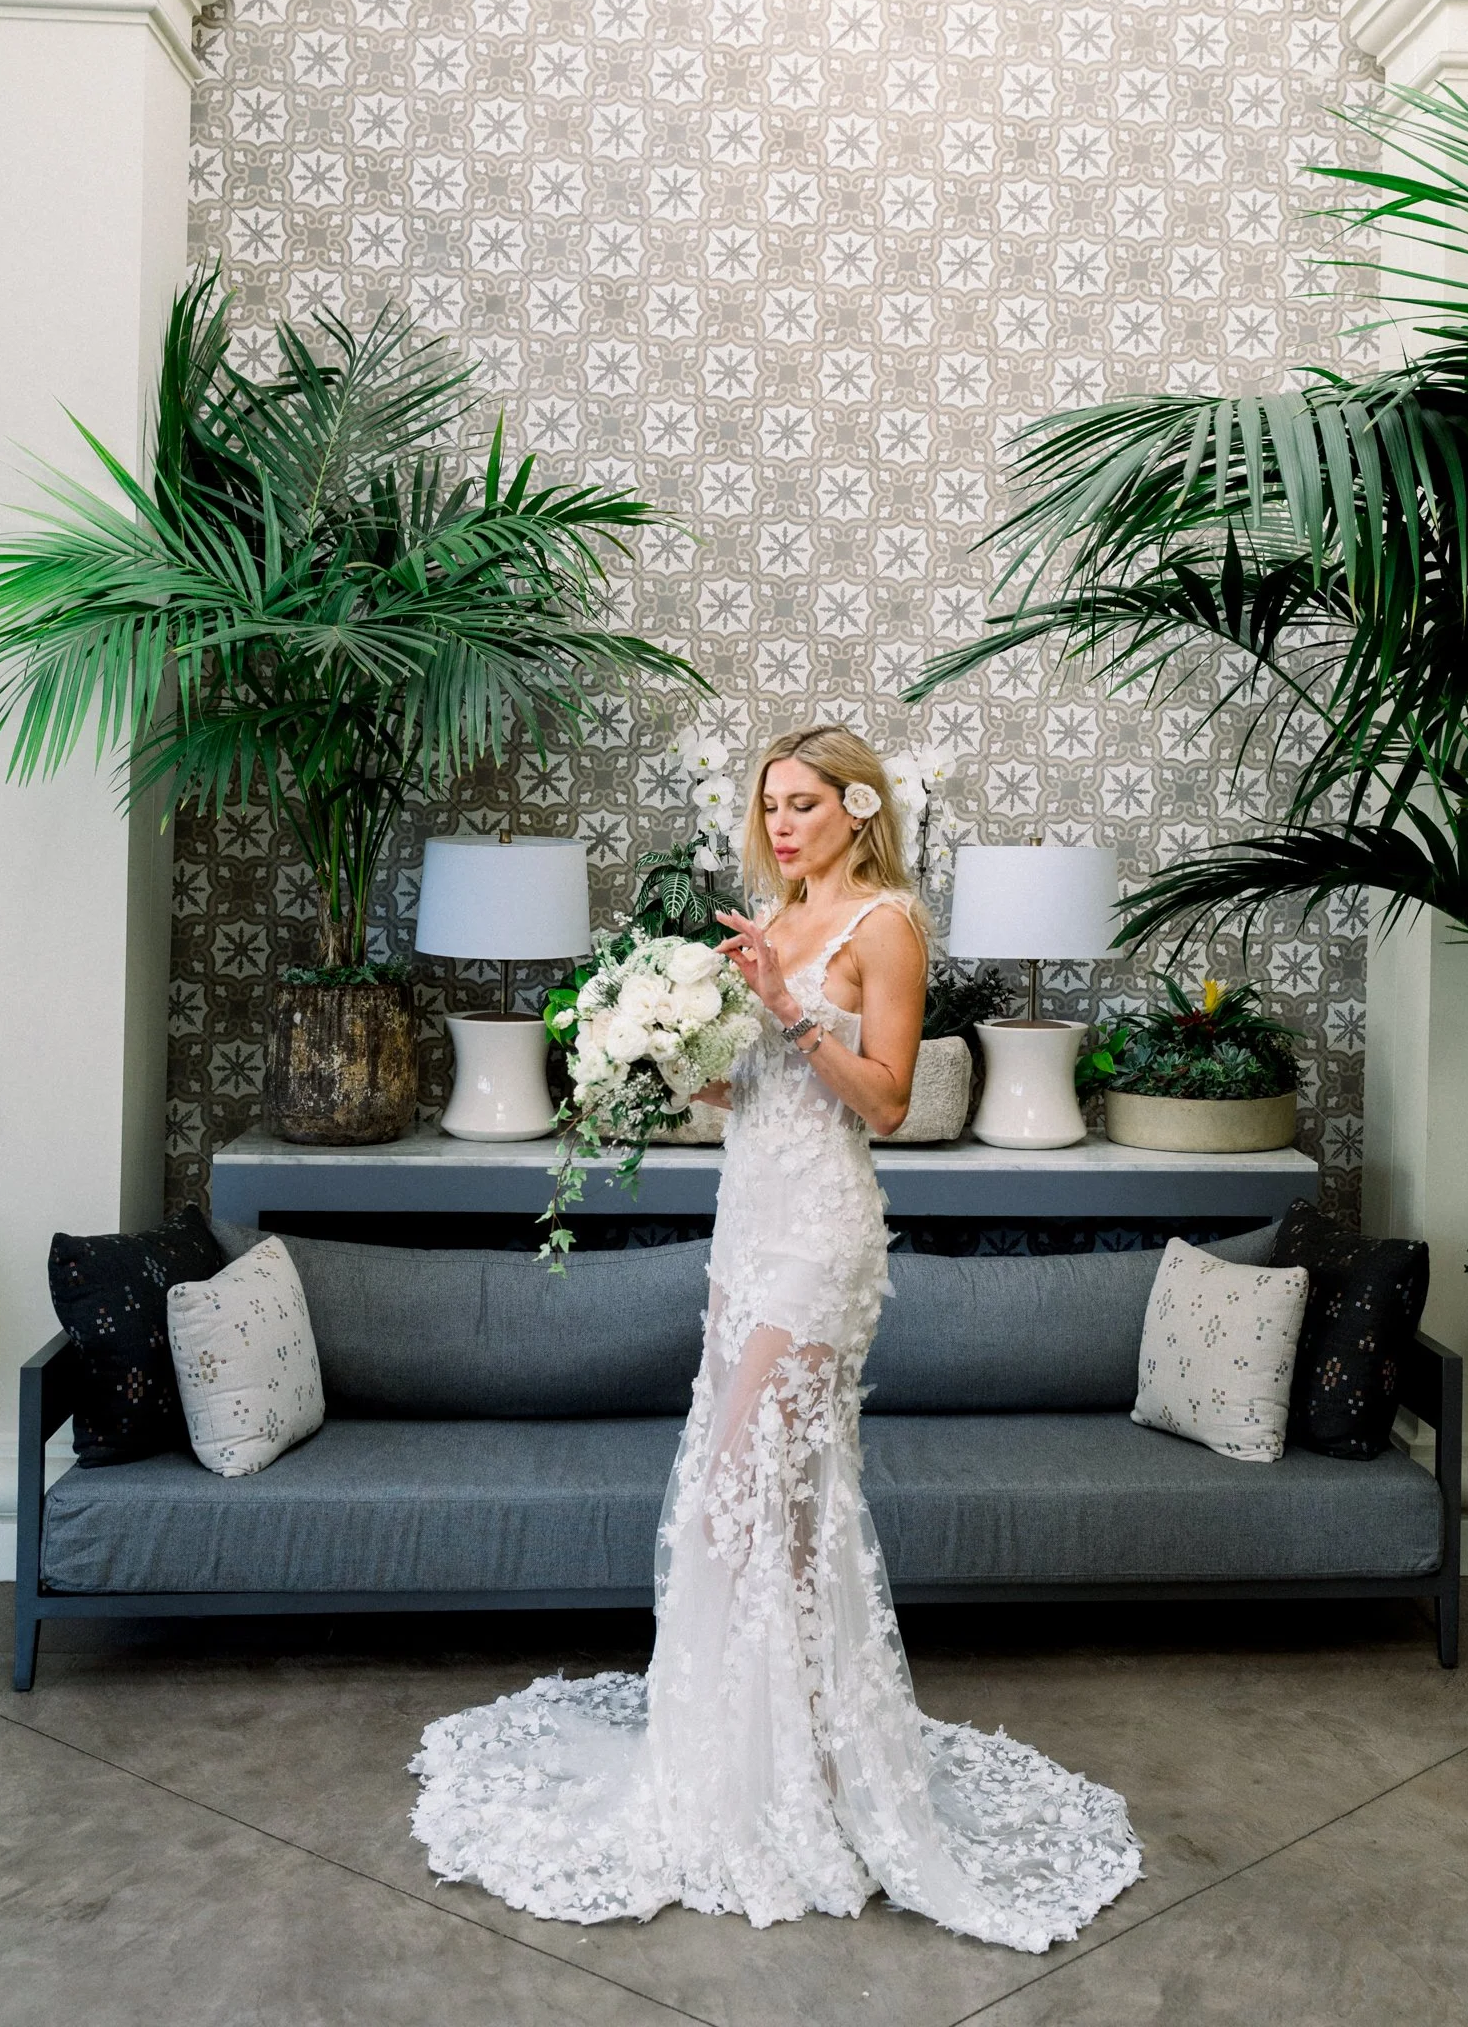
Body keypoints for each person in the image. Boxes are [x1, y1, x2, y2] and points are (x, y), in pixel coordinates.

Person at [411, 724, 1140, 1948]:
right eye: (770, 804)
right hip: (743, 1225)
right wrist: (661, 1051)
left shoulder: (885, 926)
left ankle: (807, 1779)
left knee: (740, 1490)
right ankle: (766, 1759)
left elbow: (887, 1098)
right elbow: (746, 1089)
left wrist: (787, 1011)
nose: (782, 823)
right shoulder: (773, 919)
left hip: (819, 1234)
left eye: (803, 802)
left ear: (856, 808)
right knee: (767, 1504)